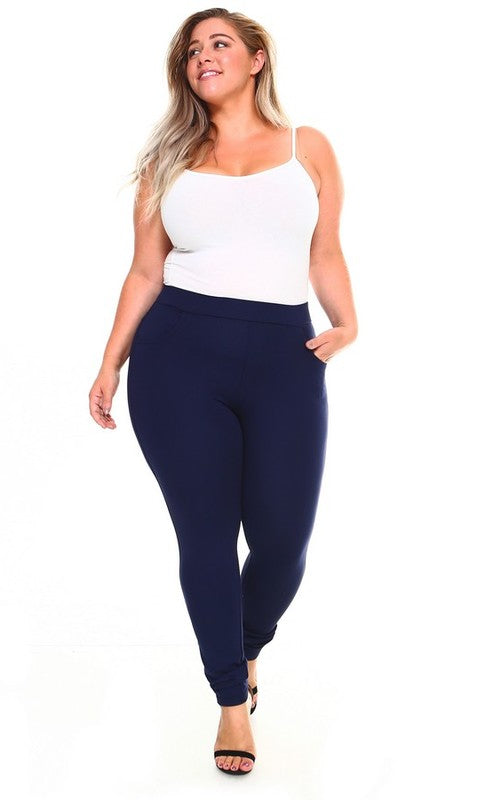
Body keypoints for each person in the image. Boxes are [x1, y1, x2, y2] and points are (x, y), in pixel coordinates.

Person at [88, 7, 358, 777]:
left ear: (255, 59)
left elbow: (325, 251)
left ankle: (243, 648)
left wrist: (347, 323)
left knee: (282, 540)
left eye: (218, 44)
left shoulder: (307, 147)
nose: (202, 56)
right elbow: (145, 271)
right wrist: (109, 363)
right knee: (205, 537)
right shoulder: (166, 161)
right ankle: (231, 701)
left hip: (283, 356)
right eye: (191, 50)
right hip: (178, 357)